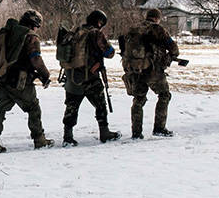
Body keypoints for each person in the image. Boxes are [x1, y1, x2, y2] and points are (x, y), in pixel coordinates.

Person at [0, 10, 56, 152]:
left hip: (3, 78)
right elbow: (35, 59)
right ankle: (39, 140)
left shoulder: (7, 33)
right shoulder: (30, 37)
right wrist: (45, 74)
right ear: (34, 23)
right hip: (21, 82)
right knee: (33, 108)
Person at [61, 10, 121, 146]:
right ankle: (104, 132)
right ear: (99, 22)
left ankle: (67, 135)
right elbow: (109, 52)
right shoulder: (96, 33)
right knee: (100, 104)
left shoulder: (76, 31)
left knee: (71, 106)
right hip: (90, 77)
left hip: (72, 75)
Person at [122, 9, 180, 139]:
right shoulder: (157, 29)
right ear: (157, 18)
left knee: (138, 99)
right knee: (164, 95)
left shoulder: (133, 29)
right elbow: (174, 48)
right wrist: (169, 57)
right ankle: (159, 128)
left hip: (135, 70)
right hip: (153, 70)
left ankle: (136, 132)